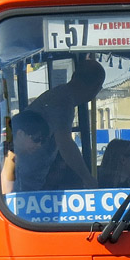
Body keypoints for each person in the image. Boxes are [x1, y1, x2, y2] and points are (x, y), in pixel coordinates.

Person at [27, 58, 105, 188]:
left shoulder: (60, 95)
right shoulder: (63, 101)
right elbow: (65, 144)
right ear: (96, 88)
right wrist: (87, 178)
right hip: (29, 174)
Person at [1, 109, 76, 193]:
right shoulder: (2, 155)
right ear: (20, 134)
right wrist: (10, 155)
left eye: (42, 140)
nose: (39, 144)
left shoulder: (30, 159)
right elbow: (6, 193)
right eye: (36, 139)